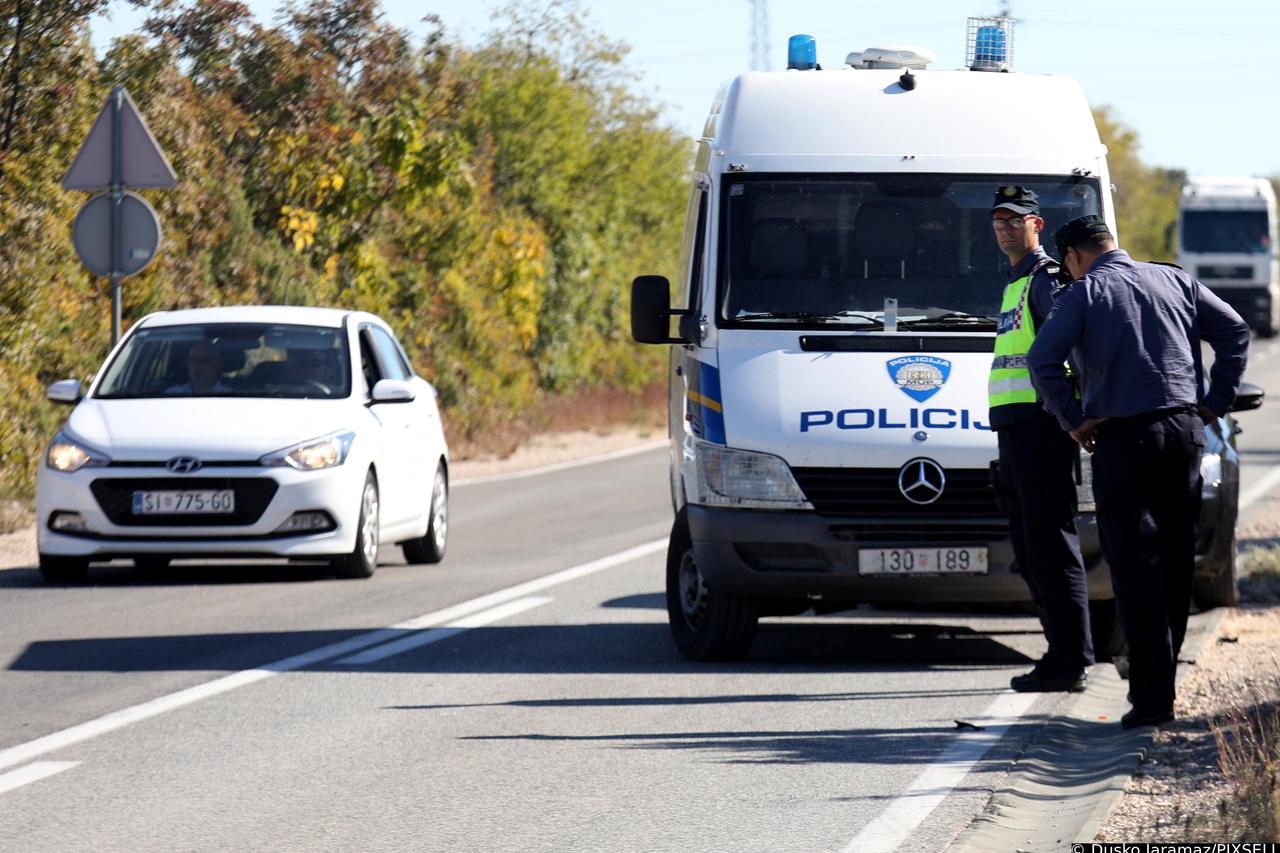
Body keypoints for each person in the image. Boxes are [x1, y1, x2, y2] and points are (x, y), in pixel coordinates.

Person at [1028, 215, 1250, 728]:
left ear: (1074, 256)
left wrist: (1074, 420)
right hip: (1184, 431)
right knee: (1174, 565)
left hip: (1125, 439)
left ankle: (1150, 702)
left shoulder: (1083, 294)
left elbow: (1042, 362)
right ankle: (1161, 691)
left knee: (1134, 566)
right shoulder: (1174, 279)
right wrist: (1215, 402)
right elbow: (1235, 332)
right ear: (1111, 244)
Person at [986, 186, 1093, 693]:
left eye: (1016, 220)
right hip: (1016, 427)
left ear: (1037, 225)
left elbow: (1072, 349)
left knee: (1050, 546)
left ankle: (1069, 660)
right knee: (1032, 550)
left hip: (1041, 426)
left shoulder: (1046, 279)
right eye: (999, 221)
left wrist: (1069, 416)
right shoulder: (1015, 284)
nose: (1006, 228)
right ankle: (1060, 653)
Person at [166, 341, 231, 395]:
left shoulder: (231, 396)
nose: (197, 366)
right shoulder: (172, 393)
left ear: (218, 365)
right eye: (193, 360)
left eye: (204, 361)